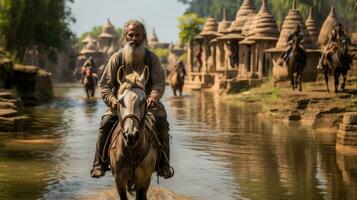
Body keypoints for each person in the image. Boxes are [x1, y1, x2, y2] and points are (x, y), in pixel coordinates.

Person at [90, 20, 174, 179]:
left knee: (162, 123)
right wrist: (113, 101)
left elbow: (159, 83)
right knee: (105, 123)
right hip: (121, 105)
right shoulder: (116, 58)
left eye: (137, 35)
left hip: (148, 105)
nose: (134, 38)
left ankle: (164, 165)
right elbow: (105, 85)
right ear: (125, 36)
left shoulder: (152, 58)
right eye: (130, 35)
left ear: (143, 37)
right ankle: (99, 164)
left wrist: (153, 97)